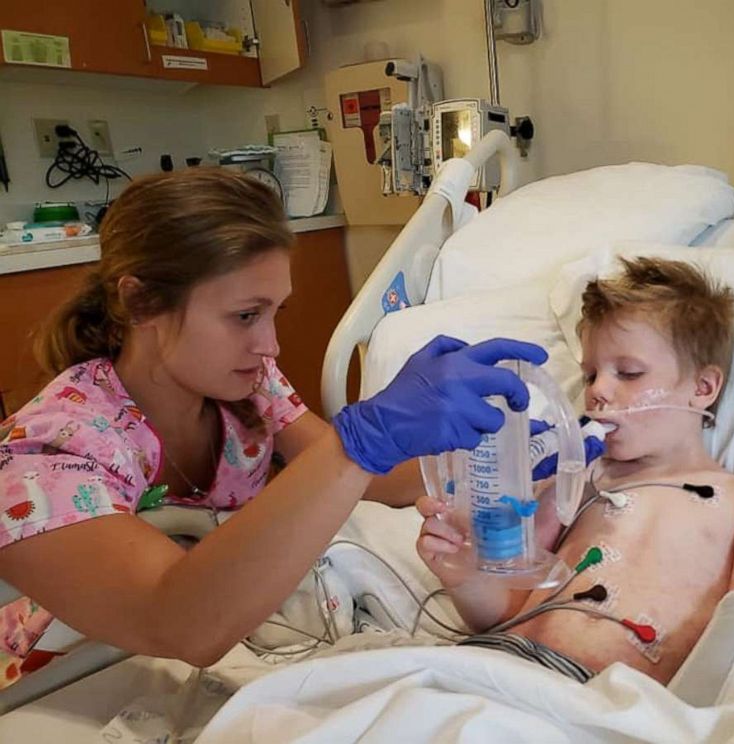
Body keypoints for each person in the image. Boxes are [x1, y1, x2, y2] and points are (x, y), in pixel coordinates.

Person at [0, 168, 548, 689]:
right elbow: (176, 621)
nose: (270, 345)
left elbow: (361, 479)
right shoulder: (47, 452)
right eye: (245, 315)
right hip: (74, 677)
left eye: (275, 314)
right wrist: (362, 439)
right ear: (140, 301)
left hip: (233, 634)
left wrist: (474, 453)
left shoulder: (247, 386)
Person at [417, 256, 734, 685]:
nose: (597, 391)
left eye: (629, 373)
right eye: (591, 374)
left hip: (608, 702)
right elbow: (506, 609)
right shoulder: (576, 482)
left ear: (702, 388)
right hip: (498, 666)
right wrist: (461, 575)